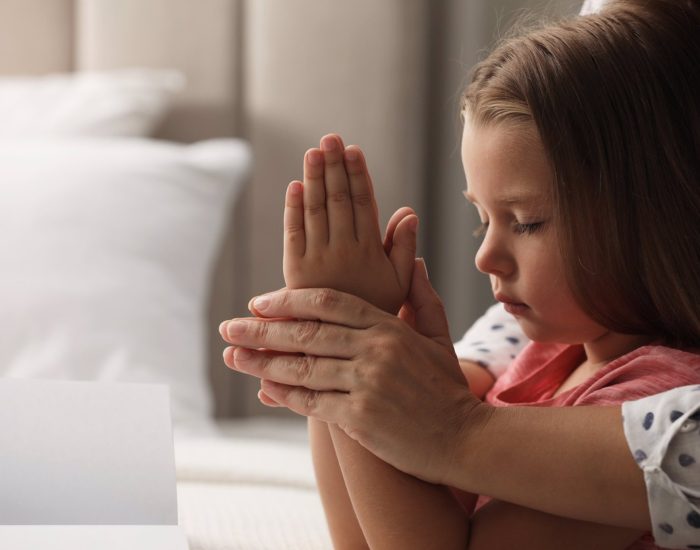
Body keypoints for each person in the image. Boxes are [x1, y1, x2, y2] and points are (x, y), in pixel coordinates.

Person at [220, 0, 700, 548]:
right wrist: (338, 349)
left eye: (526, 222)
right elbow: (357, 539)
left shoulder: (654, 402)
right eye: (481, 220)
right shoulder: (547, 355)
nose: (485, 258)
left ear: (648, 215)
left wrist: (354, 350)